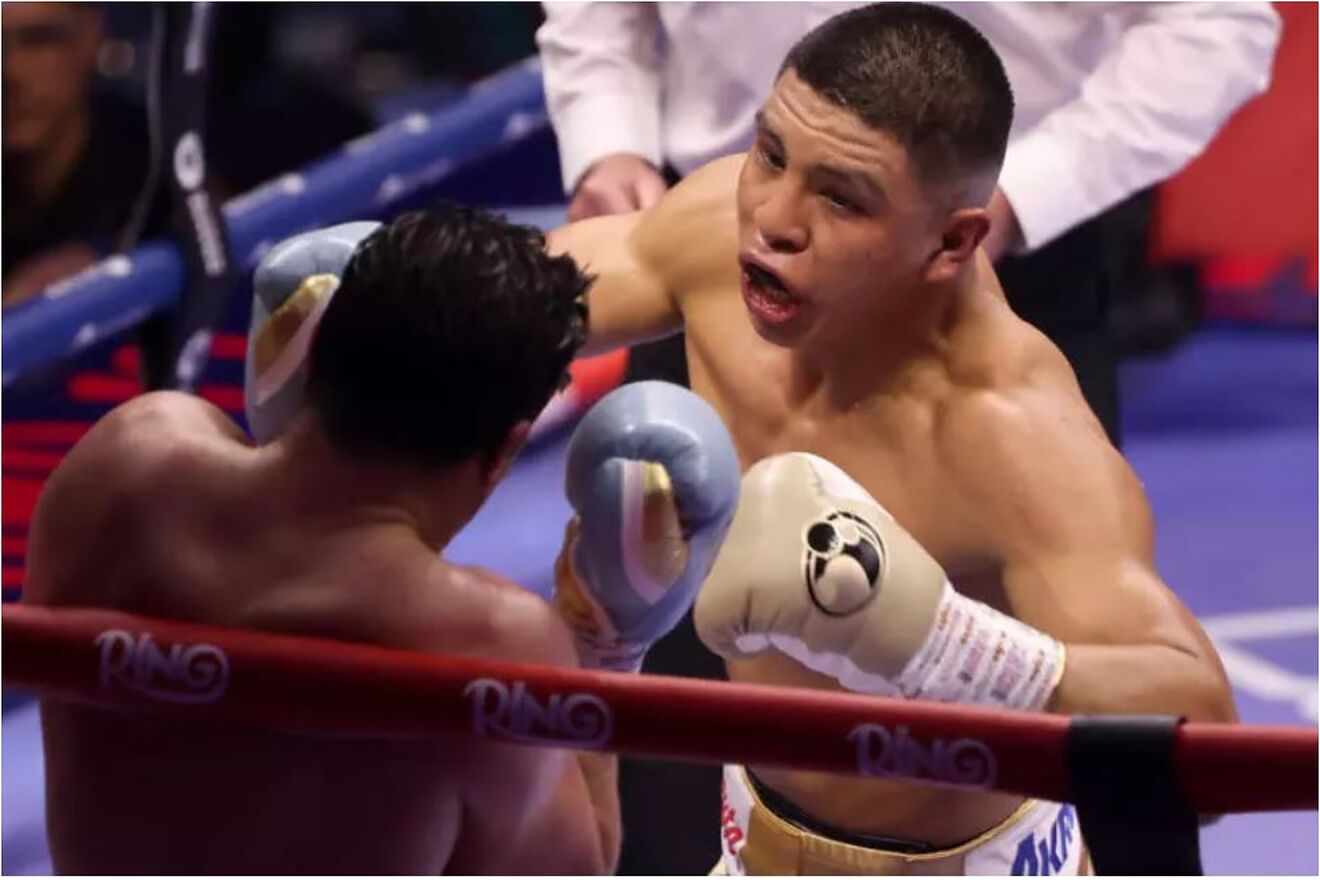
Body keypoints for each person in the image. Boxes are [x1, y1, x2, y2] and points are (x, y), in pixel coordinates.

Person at [547, 5, 1236, 874]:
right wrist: (395, 284)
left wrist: (941, 644)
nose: (773, 219)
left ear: (952, 242)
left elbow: (1206, 740)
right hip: (749, 842)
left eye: (840, 198)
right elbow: (523, 297)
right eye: (770, 155)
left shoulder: (1009, 431)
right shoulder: (720, 229)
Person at [24, 205, 740, 873]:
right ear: (503, 452)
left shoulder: (124, 462)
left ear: (311, 355)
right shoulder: (485, 643)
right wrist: (603, 651)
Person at [538, 0, 1281, 444]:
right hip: (709, 241)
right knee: (663, 638)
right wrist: (607, 136)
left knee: (1031, 634)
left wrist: (1026, 192)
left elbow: (1219, 17)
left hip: (998, 261)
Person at [1, 2, 167, 306]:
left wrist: (109, 267)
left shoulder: (161, 168)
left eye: (39, 39)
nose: (11, 71)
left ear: (92, 37)